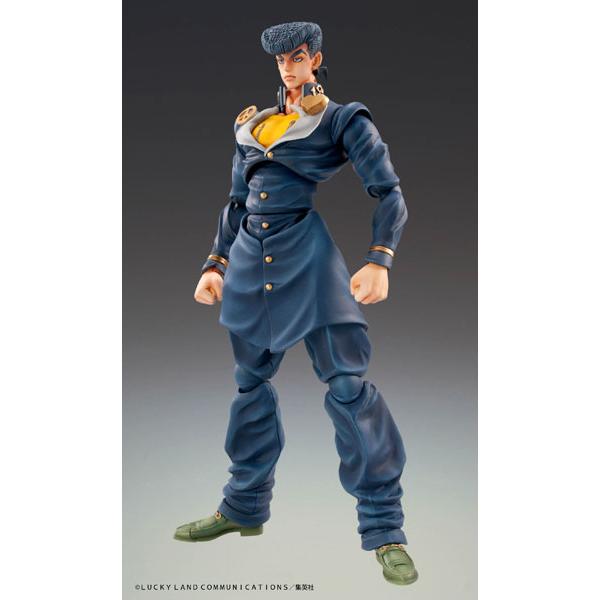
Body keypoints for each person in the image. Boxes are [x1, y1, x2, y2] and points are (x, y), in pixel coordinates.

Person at [174, 21, 418, 586]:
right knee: (249, 386)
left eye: (298, 56)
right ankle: (243, 507)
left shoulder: (340, 119)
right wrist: (215, 263)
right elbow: (236, 202)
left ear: (315, 58)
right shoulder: (253, 124)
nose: (289, 66)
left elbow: (389, 191)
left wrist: (379, 259)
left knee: (347, 386)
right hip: (248, 261)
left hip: (307, 259)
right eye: (282, 59)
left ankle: (385, 529)